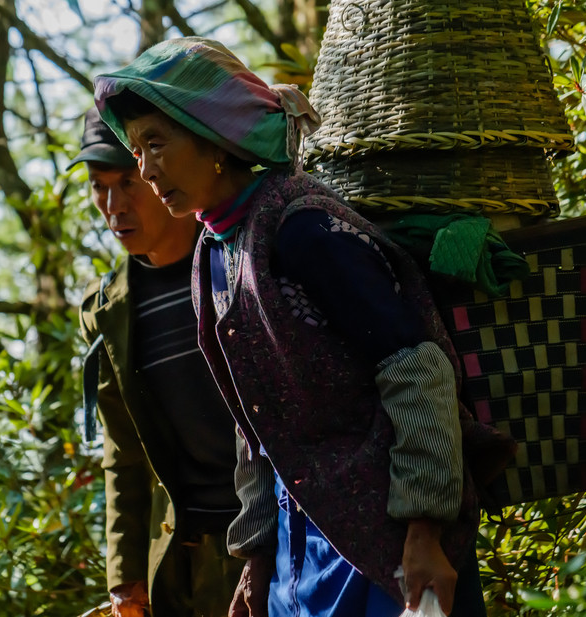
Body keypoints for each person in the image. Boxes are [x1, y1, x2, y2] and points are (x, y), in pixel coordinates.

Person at [94, 38, 497, 617]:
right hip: (296, 550)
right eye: (137, 151)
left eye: (157, 143)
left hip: (386, 542)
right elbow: (253, 422)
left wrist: (425, 530)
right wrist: (258, 561)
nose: (146, 168)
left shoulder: (303, 229)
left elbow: (417, 368)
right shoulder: (214, 252)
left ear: (213, 138)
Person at [74, 106, 247, 617]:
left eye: (127, 181)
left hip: (278, 542)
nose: (113, 206)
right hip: (181, 565)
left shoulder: (240, 260)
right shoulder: (108, 310)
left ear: (157, 171)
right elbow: (122, 453)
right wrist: (125, 577)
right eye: (98, 186)